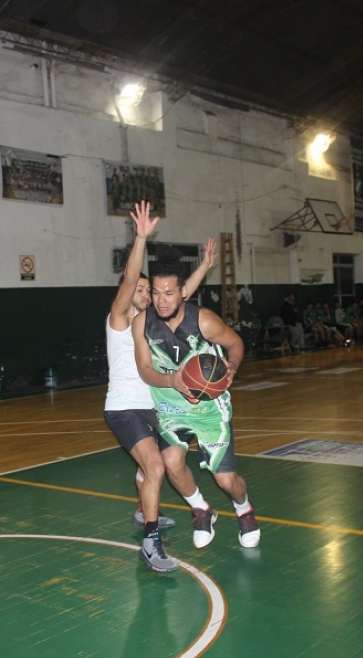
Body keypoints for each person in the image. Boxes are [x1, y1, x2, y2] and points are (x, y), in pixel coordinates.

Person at [103, 201, 215, 572]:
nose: (146, 294)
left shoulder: (151, 322)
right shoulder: (120, 318)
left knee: (151, 465)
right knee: (154, 466)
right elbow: (130, 277)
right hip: (124, 407)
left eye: (150, 291)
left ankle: (142, 511)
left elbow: (181, 295)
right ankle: (151, 542)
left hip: (155, 405)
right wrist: (141, 239)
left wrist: (204, 267)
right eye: (142, 288)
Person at [133, 246, 261, 550]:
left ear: (183, 293)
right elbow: (144, 370)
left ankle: (244, 510)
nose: (161, 300)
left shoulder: (203, 321)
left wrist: (233, 367)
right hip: (171, 409)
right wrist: (172, 382)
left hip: (209, 411)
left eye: (169, 293)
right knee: (170, 460)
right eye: (156, 293)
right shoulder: (143, 324)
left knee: (227, 482)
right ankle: (201, 509)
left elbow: (236, 343)